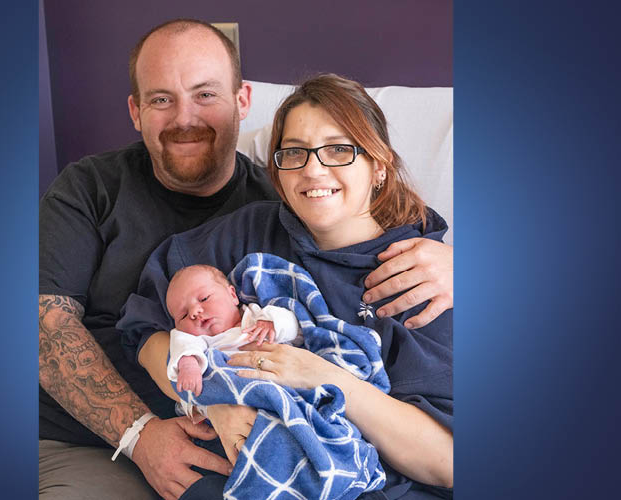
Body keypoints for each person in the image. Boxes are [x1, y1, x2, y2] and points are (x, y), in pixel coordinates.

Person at [39, 17, 453, 500]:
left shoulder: (411, 263)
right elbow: (80, 328)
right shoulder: (236, 228)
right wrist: (175, 415)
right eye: (160, 99)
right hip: (105, 436)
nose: (184, 118)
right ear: (135, 110)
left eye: (339, 150)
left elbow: (443, 459)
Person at [165, 264, 300, 397]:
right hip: (241, 395)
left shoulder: (258, 316)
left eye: (204, 298)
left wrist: (273, 324)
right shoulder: (200, 342)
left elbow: (297, 332)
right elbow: (183, 347)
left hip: (287, 383)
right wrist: (189, 366)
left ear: (232, 295)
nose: (194, 312)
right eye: (183, 316)